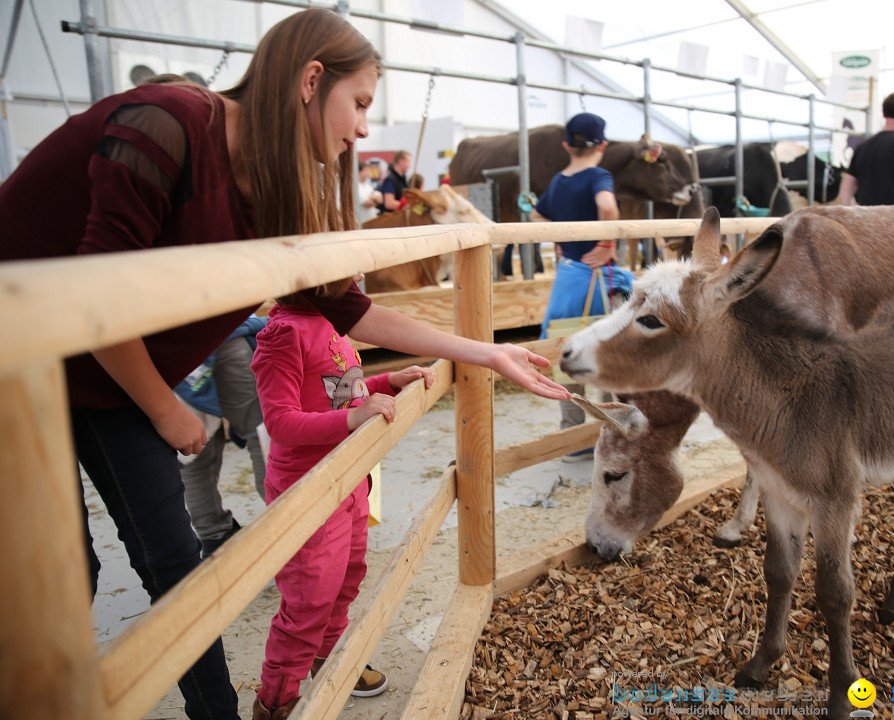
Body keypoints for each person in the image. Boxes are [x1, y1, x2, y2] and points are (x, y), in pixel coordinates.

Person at [0, 9, 567, 720]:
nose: (363, 128)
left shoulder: (277, 191)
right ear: (309, 80)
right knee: (58, 575)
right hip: (21, 364)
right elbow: (94, 282)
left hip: (103, 384)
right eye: (359, 103)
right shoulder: (166, 122)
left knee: (176, 562)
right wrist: (165, 406)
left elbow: (348, 307)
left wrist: (485, 350)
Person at [250, 273, 431, 717]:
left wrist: (388, 381)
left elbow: (344, 390)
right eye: (347, 268)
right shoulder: (282, 334)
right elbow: (281, 422)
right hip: (307, 489)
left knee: (347, 577)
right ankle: (277, 700)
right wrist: (353, 421)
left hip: (351, 477)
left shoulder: (334, 322)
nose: (359, 276)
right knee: (309, 597)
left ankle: (331, 660)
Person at [530, 112, 630, 461]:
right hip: (597, 279)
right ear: (602, 144)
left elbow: (535, 217)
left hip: (568, 278)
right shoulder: (599, 176)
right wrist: (606, 243)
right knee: (609, 355)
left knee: (567, 350)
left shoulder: (558, 181)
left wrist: (561, 237)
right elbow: (607, 206)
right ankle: (614, 432)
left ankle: (574, 437)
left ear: (565, 145)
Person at [175, 316, 268, 559]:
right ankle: (287, 517)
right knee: (261, 435)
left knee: (194, 451)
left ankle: (214, 535)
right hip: (223, 333)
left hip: (176, 357)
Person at [837, 91, 894, 206]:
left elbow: (844, 195)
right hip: (893, 219)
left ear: (883, 114)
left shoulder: (862, 147)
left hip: (865, 219)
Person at [357, 158, 383, 224]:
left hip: (371, 223)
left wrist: (373, 199)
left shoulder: (368, 187)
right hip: (360, 223)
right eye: (366, 171)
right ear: (359, 172)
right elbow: (368, 203)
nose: (368, 173)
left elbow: (380, 200)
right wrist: (374, 199)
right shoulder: (354, 186)